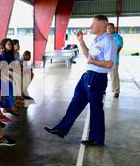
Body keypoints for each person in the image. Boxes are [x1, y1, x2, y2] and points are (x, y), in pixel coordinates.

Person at [44, 15, 117, 147]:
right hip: (87, 76)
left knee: (96, 109)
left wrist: (93, 61)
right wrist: (81, 41)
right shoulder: (96, 39)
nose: (90, 26)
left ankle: (96, 138)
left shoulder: (109, 42)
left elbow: (109, 64)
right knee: (75, 103)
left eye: (93, 24)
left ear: (101, 26)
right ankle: (61, 129)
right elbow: (88, 55)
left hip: (96, 78)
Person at [107, 23, 124, 98]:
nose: (109, 29)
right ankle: (102, 89)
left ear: (114, 28)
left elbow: (118, 49)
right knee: (102, 76)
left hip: (113, 60)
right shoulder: (105, 37)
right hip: (104, 60)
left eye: (111, 28)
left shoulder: (118, 37)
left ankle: (116, 91)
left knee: (114, 76)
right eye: (108, 28)